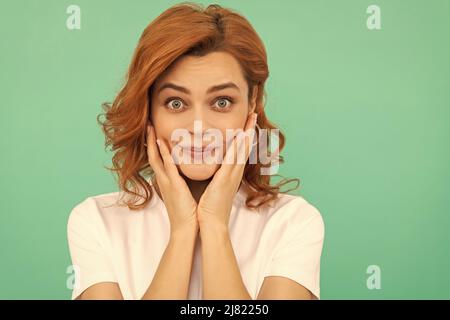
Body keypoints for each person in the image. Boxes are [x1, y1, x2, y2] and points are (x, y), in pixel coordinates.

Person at [67, 2, 325, 300]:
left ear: (252, 101)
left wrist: (215, 225)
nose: (199, 128)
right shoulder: (96, 222)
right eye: (175, 103)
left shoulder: (292, 223)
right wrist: (182, 232)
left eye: (222, 102)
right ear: (148, 109)